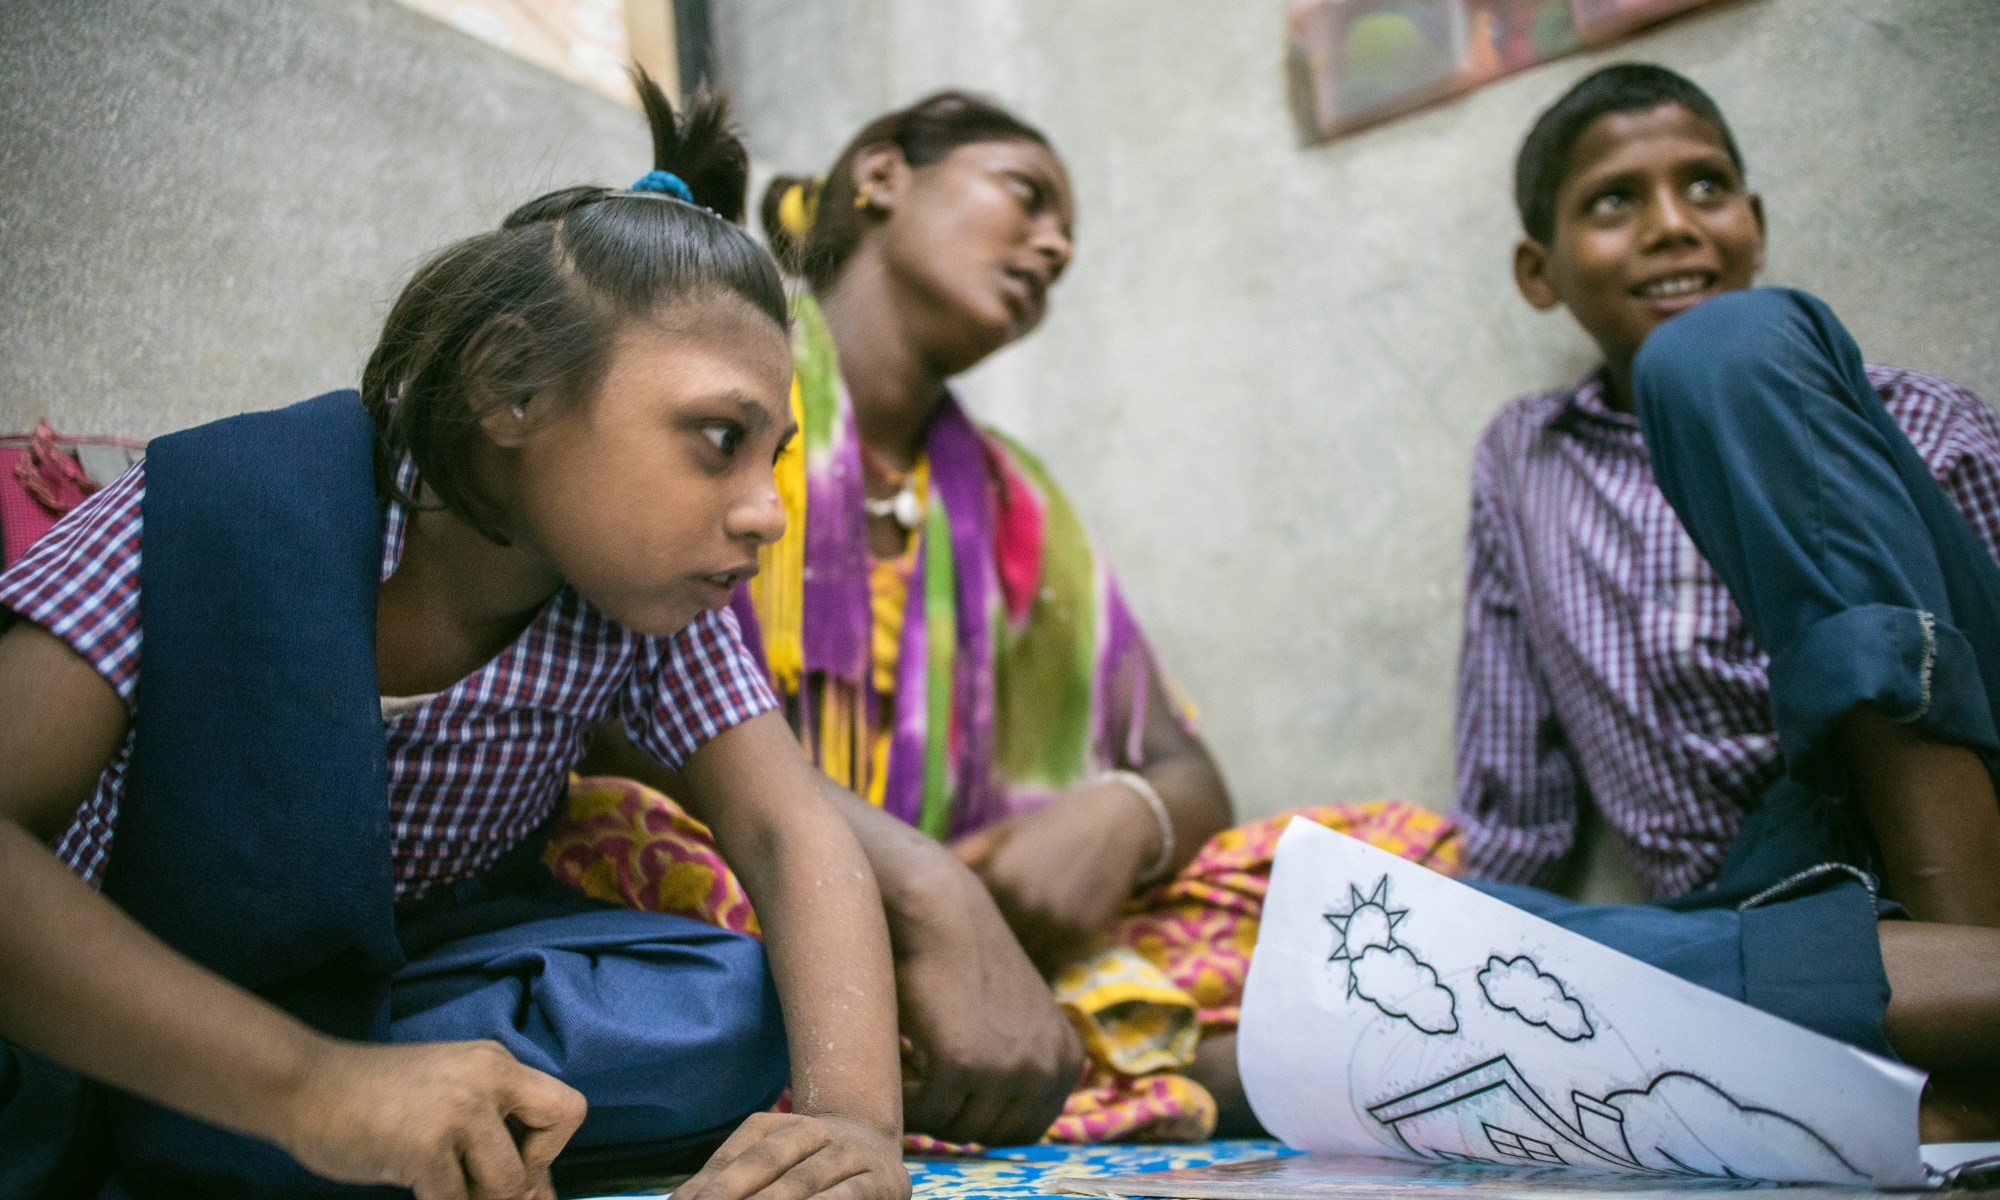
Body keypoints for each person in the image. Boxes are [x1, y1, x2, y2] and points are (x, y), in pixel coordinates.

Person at [0, 80, 912, 1199]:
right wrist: (313, 1089)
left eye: (773, 456)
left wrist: (852, 1122)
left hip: (402, 997)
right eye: (720, 438)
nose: (766, 510)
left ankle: (347, 1130)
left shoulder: (645, 593)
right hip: (135, 995)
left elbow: (784, 829)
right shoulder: (212, 511)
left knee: (739, 1004)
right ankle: (247, 1123)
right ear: (509, 388)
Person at [546, 90, 1460, 1145]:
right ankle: (1135, 1066)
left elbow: (1187, 772)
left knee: (1387, 861)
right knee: (632, 865)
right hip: (751, 885)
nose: (1055, 246)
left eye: (1066, 241)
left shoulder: (1016, 503)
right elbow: (593, 699)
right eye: (1026, 196)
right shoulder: (709, 386)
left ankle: (1018, 1059)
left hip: (984, 936)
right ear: (881, 176)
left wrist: (1120, 815)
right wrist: (920, 888)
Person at [1451, 62, 2000, 1134]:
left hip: (1969, 847)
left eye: (1704, 187)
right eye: (1614, 200)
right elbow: (1517, 798)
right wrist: (1470, 936)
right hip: (1766, 916)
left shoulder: (1912, 418)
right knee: (1453, 943)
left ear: (1755, 223)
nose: (1672, 225)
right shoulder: (1525, 461)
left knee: (1716, 352)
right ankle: (1941, 1026)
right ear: (1537, 270)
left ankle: (1968, 999)